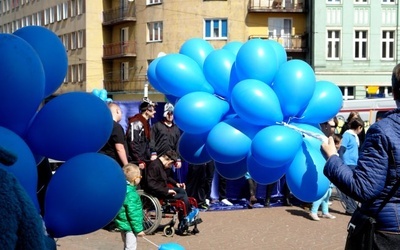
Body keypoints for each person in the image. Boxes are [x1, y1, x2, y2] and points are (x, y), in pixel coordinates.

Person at [321, 108, 400, 248]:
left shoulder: (383, 130)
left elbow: (364, 188)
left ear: (394, 92)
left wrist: (332, 157)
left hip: (387, 232)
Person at [144, 150, 199, 223]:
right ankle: (186, 217)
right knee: (182, 196)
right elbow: (151, 184)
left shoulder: (161, 165)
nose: (170, 166)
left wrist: (176, 184)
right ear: (169, 161)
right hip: (158, 193)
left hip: (163, 189)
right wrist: (167, 191)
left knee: (181, 190)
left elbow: (167, 177)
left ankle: (186, 216)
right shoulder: (154, 166)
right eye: (171, 164)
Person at [309, 133, 342, 221]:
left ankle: (325, 212)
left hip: (330, 180)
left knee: (327, 196)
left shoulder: (335, 153)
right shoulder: (327, 153)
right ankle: (313, 211)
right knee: (322, 195)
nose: (340, 145)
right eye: (338, 143)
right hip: (325, 178)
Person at [114, 163, 145, 250]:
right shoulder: (132, 194)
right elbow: (133, 213)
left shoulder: (122, 189)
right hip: (130, 227)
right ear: (135, 179)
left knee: (127, 245)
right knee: (131, 247)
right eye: (140, 177)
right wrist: (139, 229)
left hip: (122, 224)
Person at [150, 103, 182, 183]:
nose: (170, 115)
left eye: (172, 114)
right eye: (169, 113)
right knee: (156, 177)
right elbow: (152, 139)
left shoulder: (176, 129)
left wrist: (178, 159)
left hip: (170, 159)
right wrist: (153, 153)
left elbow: (177, 144)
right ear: (165, 114)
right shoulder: (157, 126)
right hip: (158, 157)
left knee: (168, 178)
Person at [126, 98, 156, 170]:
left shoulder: (146, 124)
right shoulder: (136, 123)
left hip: (144, 159)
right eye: (152, 109)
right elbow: (133, 143)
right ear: (146, 110)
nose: (154, 111)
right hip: (136, 161)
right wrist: (139, 160)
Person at [99, 103, 129, 167]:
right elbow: (119, 148)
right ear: (117, 111)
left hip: (101, 160)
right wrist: (126, 164)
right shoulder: (116, 127)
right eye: (121, 112)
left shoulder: (101, 126)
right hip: (114, 162)